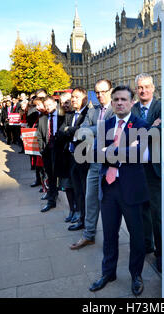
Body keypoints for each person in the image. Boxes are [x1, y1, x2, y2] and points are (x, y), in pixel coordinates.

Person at [89, 85, 149, 296]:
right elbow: (96, 153)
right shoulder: (105, 124)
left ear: (132, 102)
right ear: (112, 102)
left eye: (124, 99)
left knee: (137, 235)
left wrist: (110, 151)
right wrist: (120, 152)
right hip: (109, 187)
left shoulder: (141, 124)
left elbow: (139, 154)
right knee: (109, 233)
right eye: (116, 99)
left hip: (131, 188)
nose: (119, 102)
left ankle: (136, 275)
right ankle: (108, 272)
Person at [70, 79, 114, 249]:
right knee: (90, 200)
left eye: (103, 91)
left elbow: (110, 131)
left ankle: (112, 241)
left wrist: (94, 130)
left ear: (111, 90)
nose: (100, 95)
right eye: (97, 92)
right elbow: (83, 130)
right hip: (95, 162)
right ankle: (89, 235)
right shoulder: (93, 110)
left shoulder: (116, 109)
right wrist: (96, 129)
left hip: (112, 165)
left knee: (111, 204)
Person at [131, 73, 163, 273]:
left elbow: (163, 132)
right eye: (140, 87)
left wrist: (144, 133)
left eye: (147, 87)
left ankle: (161, 254)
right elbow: (127, 134)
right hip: (136, 167)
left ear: (153, 87)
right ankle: (147, 245)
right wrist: (152, 127)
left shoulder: (161, 107)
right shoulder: (131, 109)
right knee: (141, 210)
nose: (143, 90)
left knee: (157, 213)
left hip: (155, 168)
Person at [59, 87, 90, 231]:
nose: (73, 100)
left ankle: (85, 220)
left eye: (76, 97)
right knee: (76, 190)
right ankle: (80, 217)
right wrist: (71, 132)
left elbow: (83, 133)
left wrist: (69, 131)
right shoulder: (70, 115)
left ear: (85, 98)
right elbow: (60, 132)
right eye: (72, 97)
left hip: (83, 158)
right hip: (71, 158)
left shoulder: (88, 114)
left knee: (84, 191)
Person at [55, 92, 77, 222]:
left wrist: (66, 131)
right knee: (67, 186)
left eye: (67, 102)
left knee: (77, 187)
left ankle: (78, 211)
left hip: (75, 157)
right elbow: (59, 134)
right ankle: (72, 210)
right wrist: (66, 131)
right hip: (64, 157)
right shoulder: (62, 116)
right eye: (62, 103)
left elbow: (68, 133)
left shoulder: (76, 115)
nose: (64, 105)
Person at [37, 96, 60, 212]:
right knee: (50, 178)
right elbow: (39, 135)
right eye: (46, 106)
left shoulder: (62, 117)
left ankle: (74, 208)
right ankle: (51, 201)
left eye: (50, 105)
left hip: (60, 153)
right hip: (47, 152)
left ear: (55, 103)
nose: (48, 107)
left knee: (66, 180)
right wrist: (42, 150)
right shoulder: (43, 119)